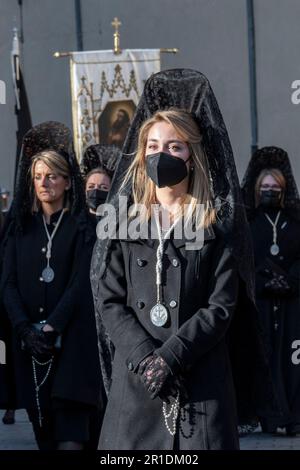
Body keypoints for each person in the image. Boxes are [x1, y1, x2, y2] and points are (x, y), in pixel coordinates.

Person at [91, 69, 276, 450]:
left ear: (191, 157)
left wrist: (170, 358)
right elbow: (110, 300)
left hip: (200, 385)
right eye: (154, 146)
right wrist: (146, 359)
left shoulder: (215, 226)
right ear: (142, 155)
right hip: (137, 385)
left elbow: (221, 306)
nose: (163, 155)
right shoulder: (124, 225)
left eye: (175, 147)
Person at [1, 122, 102, 450]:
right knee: (45, 438)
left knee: (71, 441)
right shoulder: (20, 228)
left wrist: (52, 326)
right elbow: (8, 284)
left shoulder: (82, 226)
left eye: (52, 176)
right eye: (38, 177)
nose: (44, 183)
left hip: (72, 345)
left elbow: (80, 283)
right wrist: (24, 330)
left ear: (68, 181)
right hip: (30, 349)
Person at [241, 146, 300, 436]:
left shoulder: (294, 221)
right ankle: (267, 416)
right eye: (264, 186)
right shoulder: (248, 223)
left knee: (291, 358)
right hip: (260, 301)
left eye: (275, 187)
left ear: (284, 188)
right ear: (256, 188)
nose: (269, 190)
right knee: (263, 358)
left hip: (291, 303)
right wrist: (263, 283)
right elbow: (240, 259)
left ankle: (292, 415)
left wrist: (291, 280)